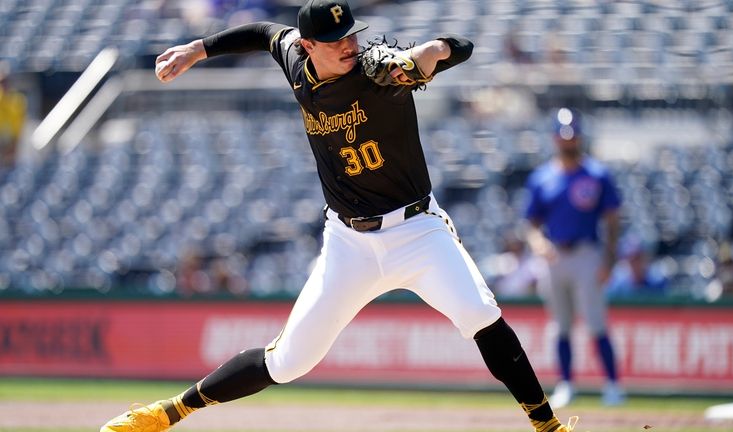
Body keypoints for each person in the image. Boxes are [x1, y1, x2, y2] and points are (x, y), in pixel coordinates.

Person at [100, 1, 577, 432]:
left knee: (479, 313)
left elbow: (460, 49)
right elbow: (263, 31)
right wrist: (197, 50)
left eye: (352, 33)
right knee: (287, 362)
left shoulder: (380, 73)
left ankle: (548, 427)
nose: (350, 44)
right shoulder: (294, 59)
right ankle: (169, 412)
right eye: (336, 40)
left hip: (417, 230)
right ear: (308, 46)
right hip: (348, 242)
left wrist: (429, 51)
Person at [524, 108, 624, 408]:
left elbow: (612, 220)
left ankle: (612, 385)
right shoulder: (543, 177)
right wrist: (539, 243)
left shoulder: (596, 174)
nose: (569, 142)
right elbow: (531, 223)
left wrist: (609, 260)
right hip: (555, 256)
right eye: (564, 137)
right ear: (556, 138)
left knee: (596, 322)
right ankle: (566, 383)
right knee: (561, 325)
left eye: (573, 136)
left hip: (586, 253)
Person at [0, 62, 26, 166]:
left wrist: (13, 146)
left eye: (5, 82)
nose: (3, 85)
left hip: (11, 144)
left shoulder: (17, 100)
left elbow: (17, 128)